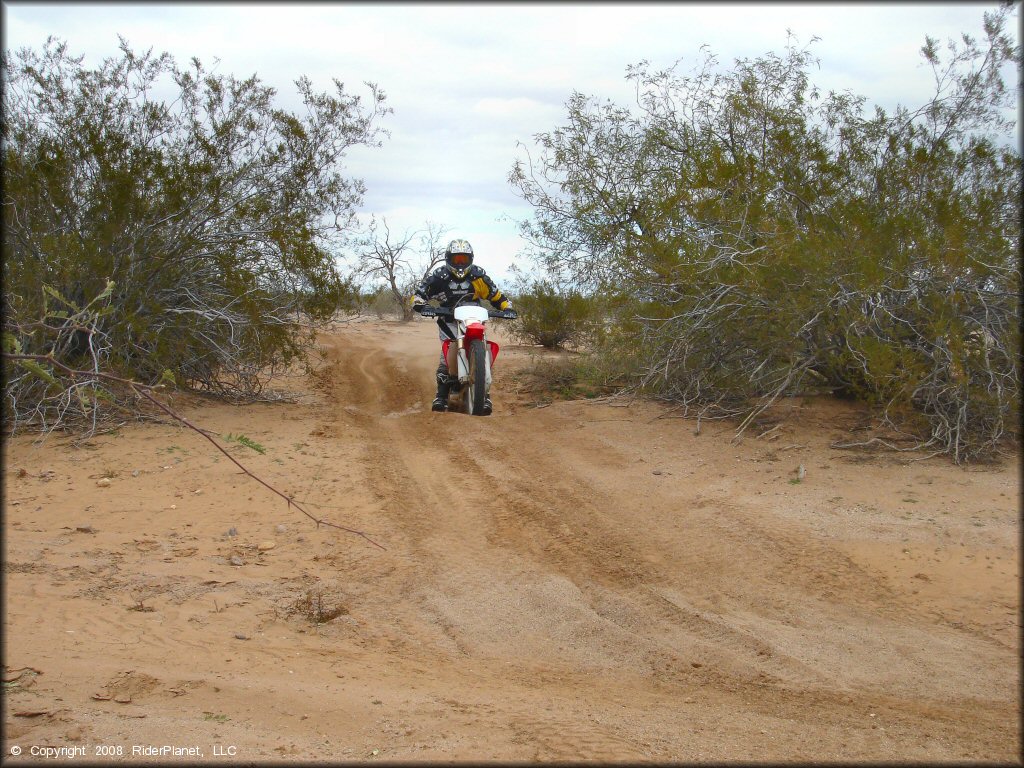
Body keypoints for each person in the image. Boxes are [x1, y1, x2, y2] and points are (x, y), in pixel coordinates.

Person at [410, 238, 514, 413]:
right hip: (448, 320)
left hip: (474, 318)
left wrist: (507, 308)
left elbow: (497, 297)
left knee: (485, 348)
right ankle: (441, 395)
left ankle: (485, 396)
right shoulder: (439, 276)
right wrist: (420, 304)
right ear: (448, 258)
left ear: (470, 259)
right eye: (456, 259)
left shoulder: (478, 276)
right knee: (447, 354)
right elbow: (419, 294)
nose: (460, 263)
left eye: (463, 259)